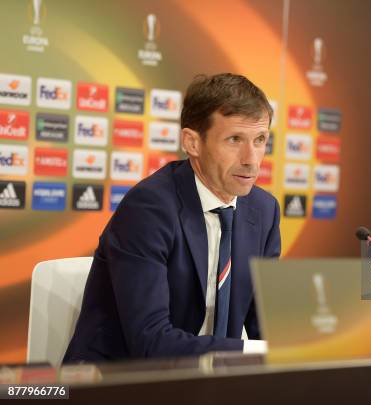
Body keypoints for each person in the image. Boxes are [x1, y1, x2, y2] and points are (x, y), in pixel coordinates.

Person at [64, 73, 281, 362]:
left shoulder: (263, 210)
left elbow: (266, 325)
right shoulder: (149, 208)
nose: (251, 159)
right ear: (192, 142)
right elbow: (150, 342)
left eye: (260, 140)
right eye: (234, 140)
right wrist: (252, 353)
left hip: (211, 384)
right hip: (120, 382)